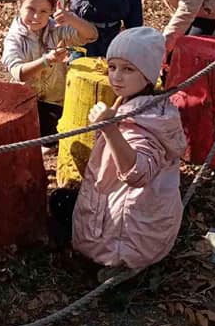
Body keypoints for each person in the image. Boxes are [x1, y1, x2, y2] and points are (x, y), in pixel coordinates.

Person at [51, 27, 187, 269]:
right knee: (63, 200)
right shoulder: (153, 107)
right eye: (112, 67)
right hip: (147, 227)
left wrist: (110, 128)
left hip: (126, 244)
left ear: (147, 74)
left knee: (57, 205)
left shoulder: (141, 126)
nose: (117, 77)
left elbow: (138, 172)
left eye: (128, 69)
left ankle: (107, 270)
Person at [1, 0, 98, 141]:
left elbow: (91, 35)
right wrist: (47, 60)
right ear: (19, 6)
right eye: (31, 9)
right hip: (24, 102)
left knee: (63, 138)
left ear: (51, 12)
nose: (36, 17)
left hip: (55, 101)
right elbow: (19, 73)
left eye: (43, 11)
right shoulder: (14, 38)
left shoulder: (55, 28)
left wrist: (71, 18)